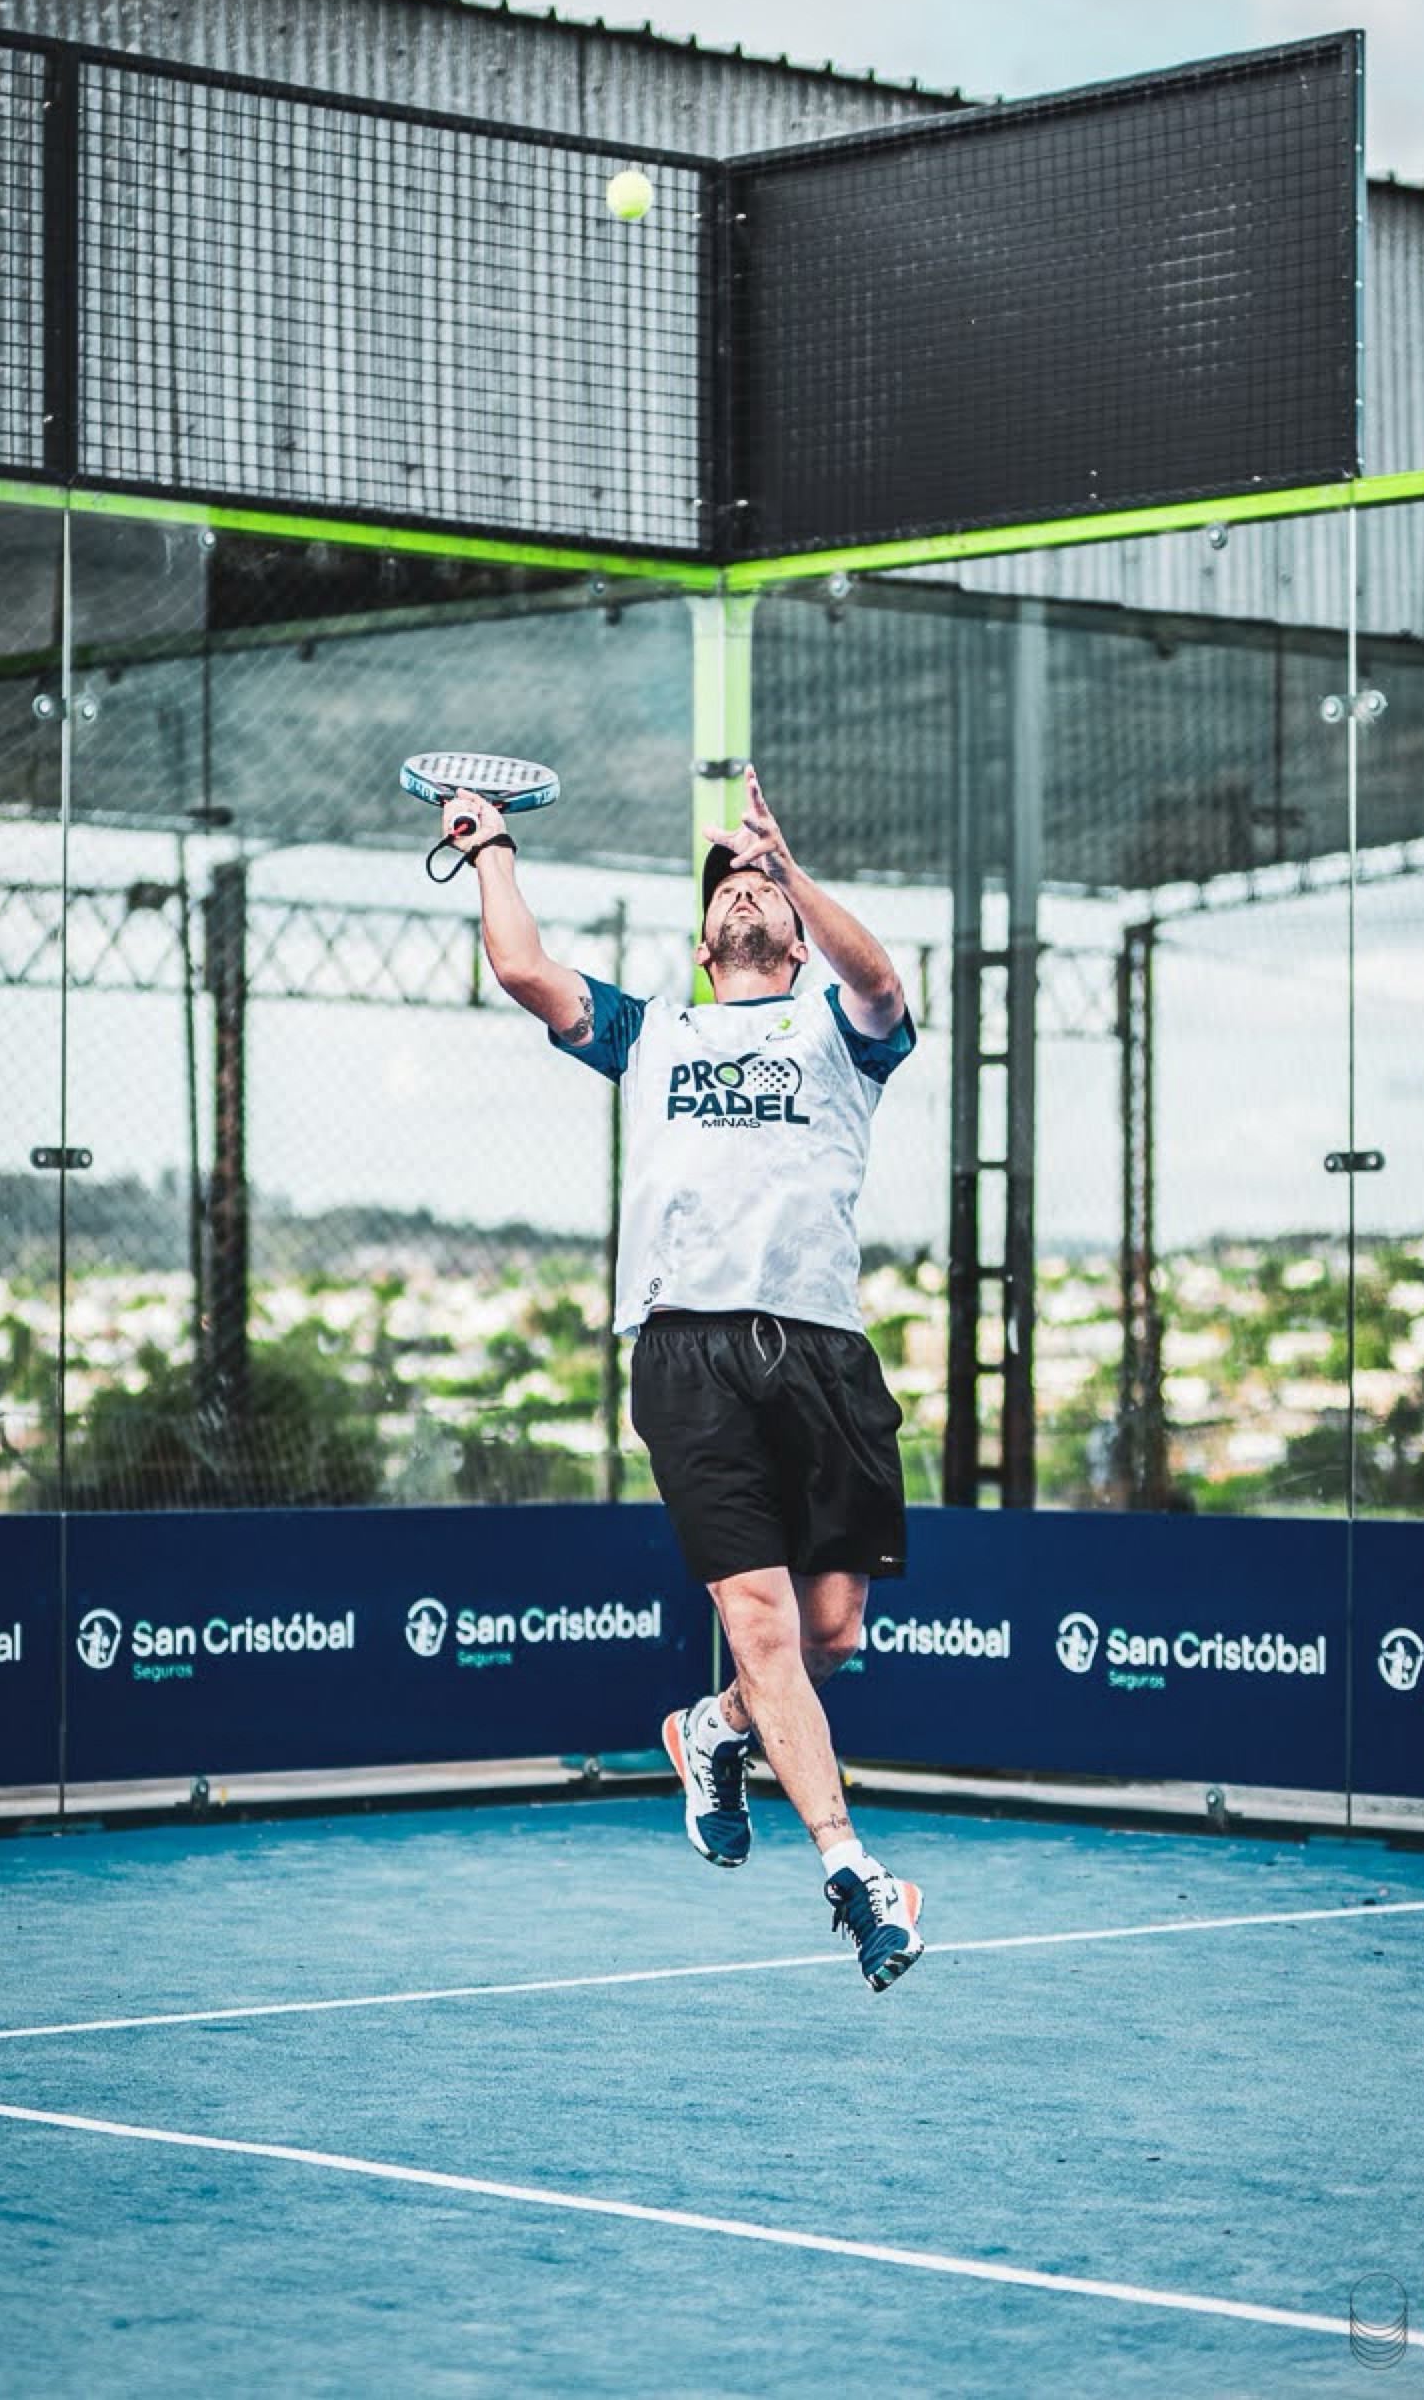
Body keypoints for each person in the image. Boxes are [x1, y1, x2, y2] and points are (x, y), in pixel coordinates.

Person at [441, 762, 925, 1992]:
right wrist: (491, 849)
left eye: (763, 881)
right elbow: (523, 969)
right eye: (729, 885)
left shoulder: (841, 1028)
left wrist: (793, 862)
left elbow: (882, 983)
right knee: (759, 1624)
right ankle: (855, 1875)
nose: (745, 890)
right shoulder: (653, 1031)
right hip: (687, 1353)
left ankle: (711, 1730)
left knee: (829, 1634)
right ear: (705, 939)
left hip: (823, 1352)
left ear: (797, 931)